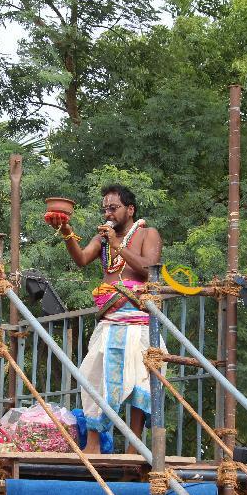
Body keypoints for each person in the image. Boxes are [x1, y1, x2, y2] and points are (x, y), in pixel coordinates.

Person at [46, 184, 164, 454]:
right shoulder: (102, 238)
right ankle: (94, 445)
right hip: (109, 321)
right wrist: (66, 232)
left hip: (138, 321)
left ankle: (135, 449)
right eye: (105, 209)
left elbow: (148, 270)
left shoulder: (148, 233)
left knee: (139, 382)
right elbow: (81, 259)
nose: (108, 213)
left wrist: (117, 245)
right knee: (93, 376)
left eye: (114, 208)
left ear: (130, 209)